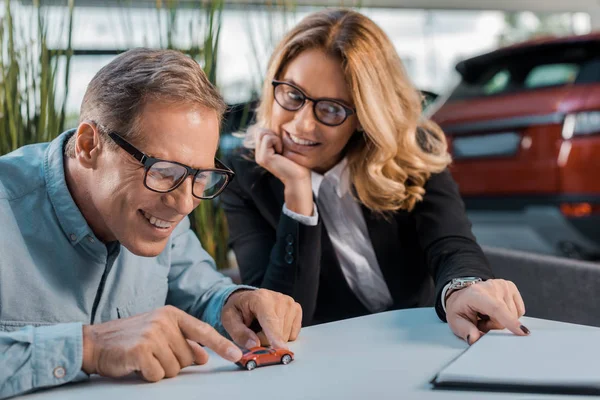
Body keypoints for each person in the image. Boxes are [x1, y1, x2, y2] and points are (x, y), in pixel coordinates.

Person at [0, 48, 301, 399]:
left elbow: (201, 293)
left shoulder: (162, 207)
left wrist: (234, 304)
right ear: (88, 145)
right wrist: (89, 348)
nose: (185, 203)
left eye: (200, 176)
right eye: (163, 172)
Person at [222, 9, 528, 344]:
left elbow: (451, 244)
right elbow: (275, 318)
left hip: (417, 342)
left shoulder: (410, 149)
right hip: (327, 355)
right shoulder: (245, 173)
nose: (301, 124)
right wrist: (298, 194)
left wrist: (462, 290)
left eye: (331, 109)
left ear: (364, 117)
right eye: (293, 95)